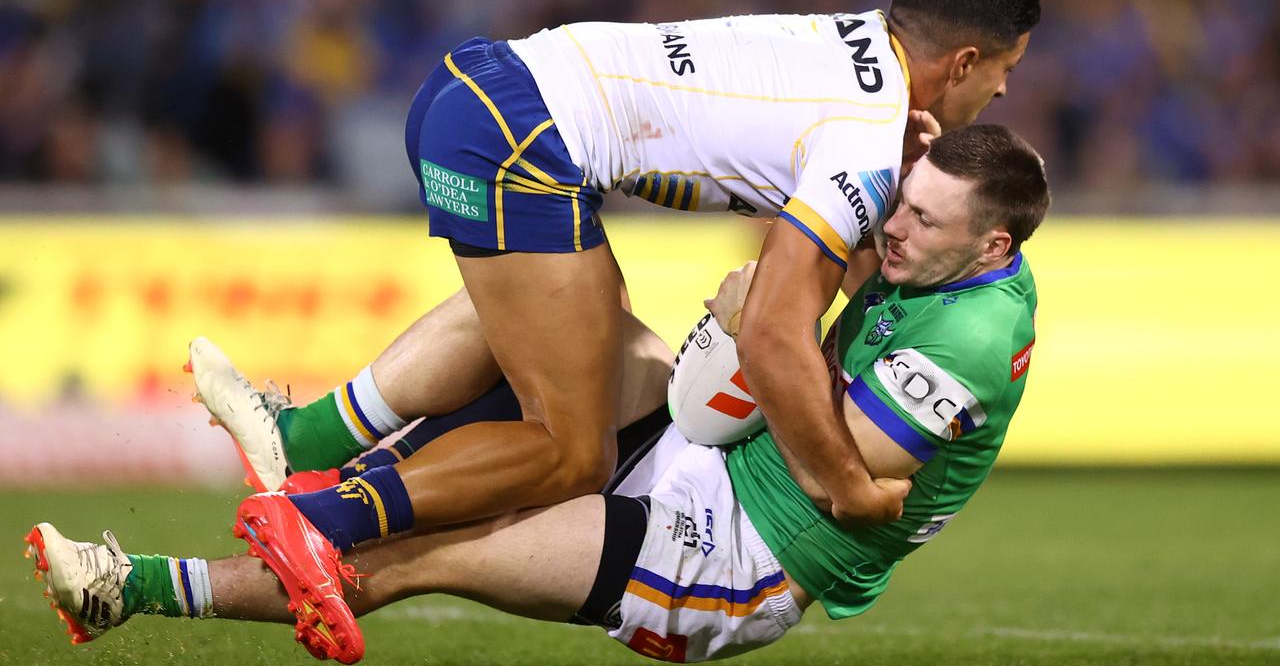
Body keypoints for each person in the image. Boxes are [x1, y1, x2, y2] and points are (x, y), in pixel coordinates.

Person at [184, 0, 1040, 654]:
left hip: (477, 83)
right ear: (963, 62)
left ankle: (305, 441)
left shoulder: (848, 52)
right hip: (528, 139)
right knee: (570, 452)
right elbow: (775, 335)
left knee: (574, 321)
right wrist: (847, 485)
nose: (998, 94)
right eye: (1001, 72)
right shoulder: (864, 140)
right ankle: (316, 518)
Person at [29, 124, 1050, 663]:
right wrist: (761, 334)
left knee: (430, 546)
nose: (895, 228)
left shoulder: (967, 335)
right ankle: (302, 439)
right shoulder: (927, 248)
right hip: (719, 451)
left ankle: (133, 589)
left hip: (739, 558)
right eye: (901, 204)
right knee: (554, 304)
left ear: (990, 245)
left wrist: (754, 341)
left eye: (921, 221)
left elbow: (848, 472)